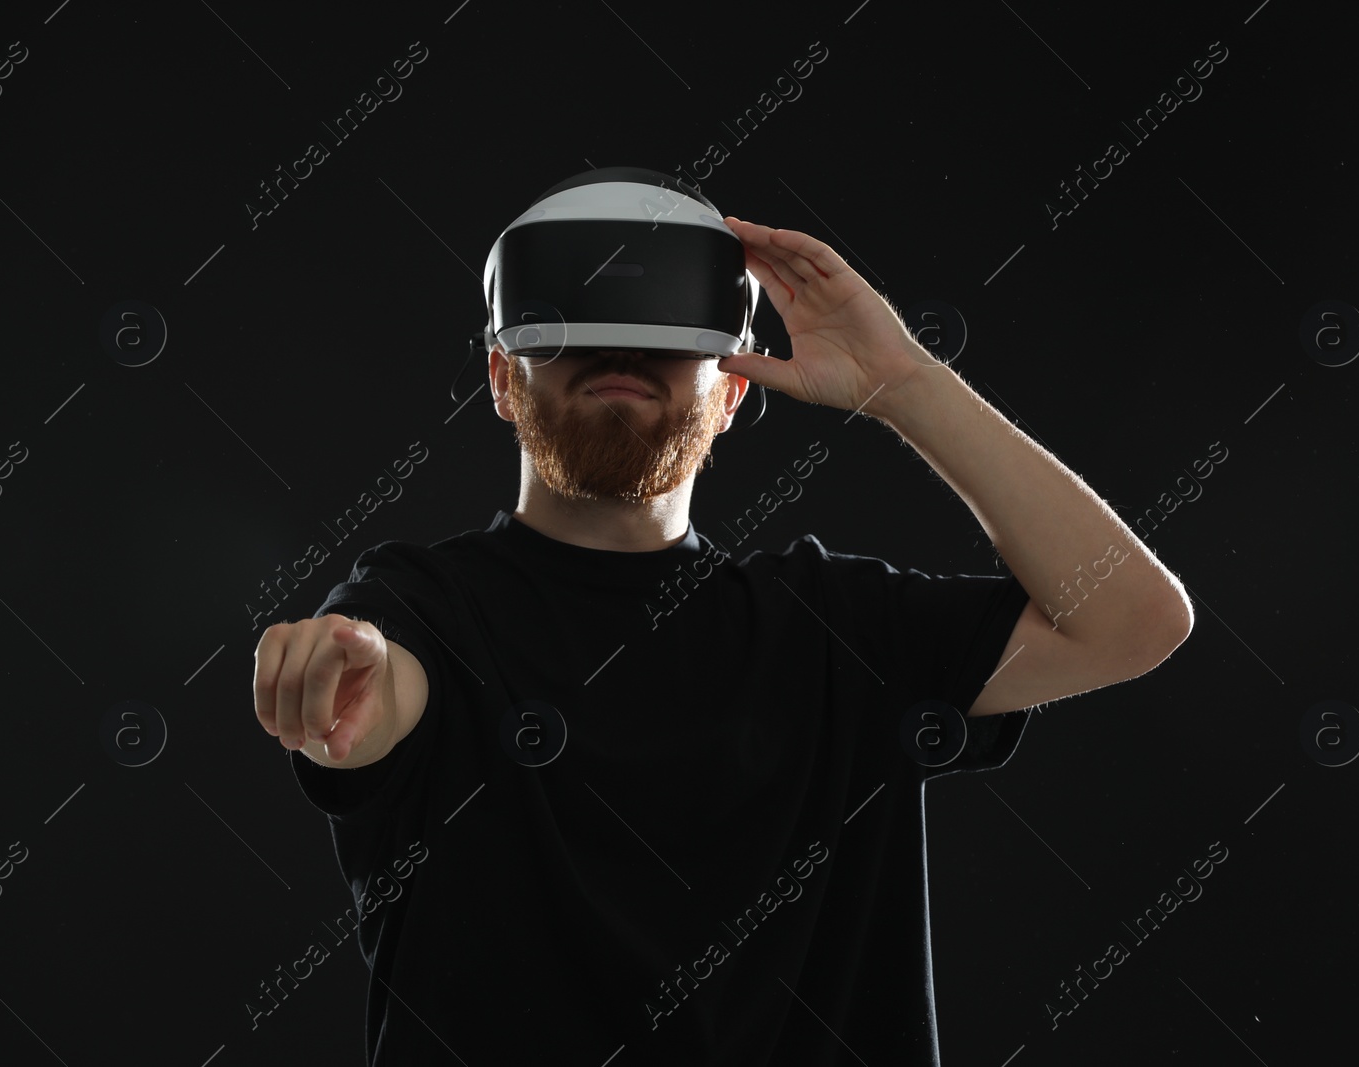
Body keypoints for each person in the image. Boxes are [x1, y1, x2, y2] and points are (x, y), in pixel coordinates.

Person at [252, 210, 1193, 1065]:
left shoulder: (837, 627)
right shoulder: (418, 606)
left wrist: (904, 383)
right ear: (502, 377)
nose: (623, 355)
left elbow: (1133, 619)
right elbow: (389, 692)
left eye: (664, 337)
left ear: (735, 392)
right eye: (579, 331)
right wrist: (354, 684)